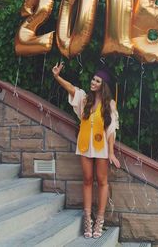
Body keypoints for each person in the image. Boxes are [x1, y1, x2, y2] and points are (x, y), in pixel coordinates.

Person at [52, 62, 120, 239]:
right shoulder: (85, 99)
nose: (93, 82)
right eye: (93, 79)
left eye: (97, 81)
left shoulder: (109, 104)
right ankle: (87, 218)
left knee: (102, 181)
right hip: (84, 146)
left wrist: (111, 152)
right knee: (88, 180)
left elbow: (111, 130)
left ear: (102, 85)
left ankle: (100, 219)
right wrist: (57, 76)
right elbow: (71, 89)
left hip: (102, 147)